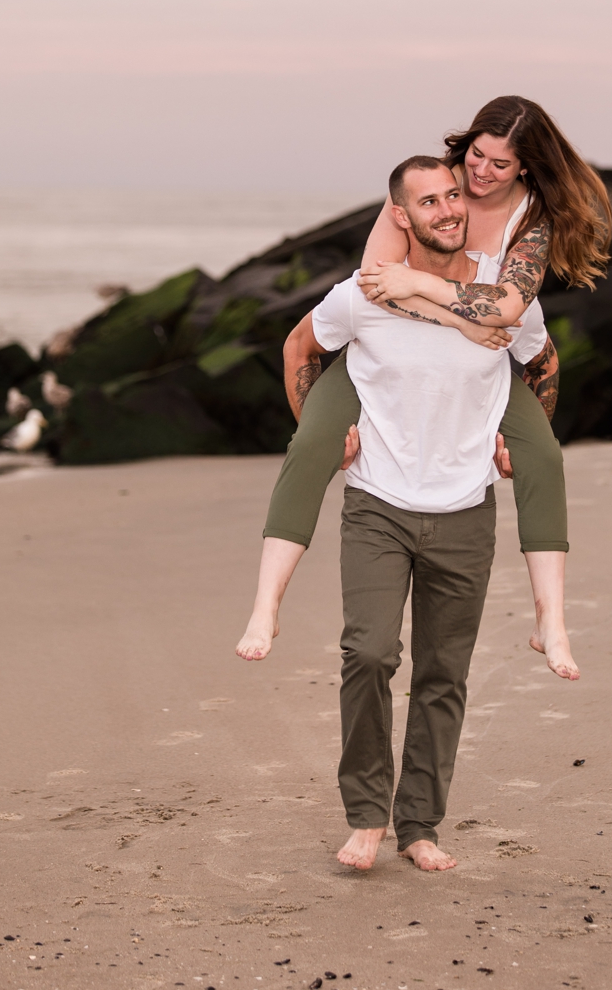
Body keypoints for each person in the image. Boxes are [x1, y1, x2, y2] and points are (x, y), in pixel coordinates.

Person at [237, 157, 553, 873]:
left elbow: (542, 364)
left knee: (444, 674)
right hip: (378, 505)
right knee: (370, 654)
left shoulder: (503, 300)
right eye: (427, 201)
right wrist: (325, 434)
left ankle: (420, 825)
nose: (446, 209)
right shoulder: (364, 295)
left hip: (466, 512)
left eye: (453, 196)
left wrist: (514, 447)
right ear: (400, 217)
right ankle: (365, 814)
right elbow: (299, 346)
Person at [248, 96, 611, 681]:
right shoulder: (434, 186)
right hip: (394, 350)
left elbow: (511, 304)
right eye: (477, 154)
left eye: (500, 163)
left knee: (543, 456)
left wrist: (445, 299)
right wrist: (465, 319)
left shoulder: (532, 222)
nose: (480, 173)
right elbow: (377, 290)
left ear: (525, 167)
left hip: (481, 358)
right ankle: (266, 607)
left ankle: (552, 622)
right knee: (312, 443)